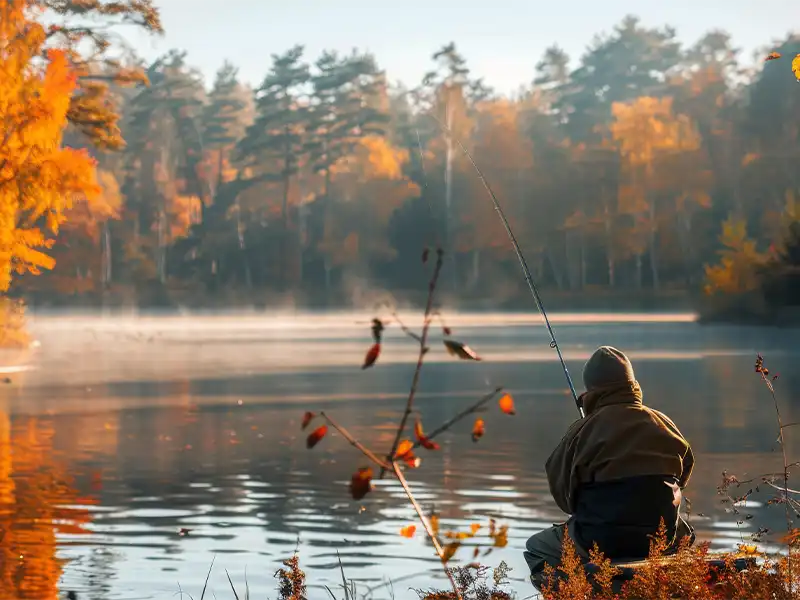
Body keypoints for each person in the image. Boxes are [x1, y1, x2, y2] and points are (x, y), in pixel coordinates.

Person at [524, 346, 695, 590]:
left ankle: (580, 592)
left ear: (591, 388)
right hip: (660, 537)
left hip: (598, 539)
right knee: (687, 535)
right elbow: (684, 476)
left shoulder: (582, 431)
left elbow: (564, 499)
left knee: (537, 548)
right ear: (632, 383)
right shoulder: (664, 424)